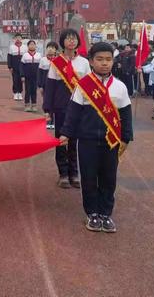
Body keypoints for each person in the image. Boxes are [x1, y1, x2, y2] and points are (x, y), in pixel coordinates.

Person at [60, 42, 133, 233]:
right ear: (91, 61)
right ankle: (92, 213)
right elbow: (73, 113)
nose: (104, 63)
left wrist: (126, 137)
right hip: (87, 141)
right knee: (89, 178)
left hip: (111, 142)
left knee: (109, 178)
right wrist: (66, 133)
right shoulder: (83, 86)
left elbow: (126, 115)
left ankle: (105, 214)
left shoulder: (120, 87)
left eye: (108, 59)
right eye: (99, 59)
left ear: (113, 61)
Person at [43, 28, 91, 189]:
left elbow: (90, 87)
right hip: (61, 107)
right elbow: (49, 87)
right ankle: (63, 173)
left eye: (74, 38)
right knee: (61, 140)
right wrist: (47, 109)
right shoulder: (56, 63)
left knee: (75, 140)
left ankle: (74, 173)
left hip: (79, 108)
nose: (71, 41)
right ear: (62, 42)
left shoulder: (84, 63)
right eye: (68, 38)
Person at [38, 41, 59, 129]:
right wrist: (40, 86)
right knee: (47, 103)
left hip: (57, 86)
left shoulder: (59, 60)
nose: (50, 49)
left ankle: (54, 122)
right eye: (49, 47)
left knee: (55, 103)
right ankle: (48, 121)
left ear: (56, 50)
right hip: (46, 86)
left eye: (53, 48)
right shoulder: (43, 60)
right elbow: (39, 74)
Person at [20, 40, 41, 112]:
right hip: (27, 77)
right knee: (27, 91)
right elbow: (21, 66)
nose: (32, 46)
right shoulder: (25, 55)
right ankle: (27, 105)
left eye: (33, 44)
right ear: (28, 46)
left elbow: (41, 67)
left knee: (34, 91)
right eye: (30, 44)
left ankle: (34, 105)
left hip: (36, 77)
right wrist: (22, 75)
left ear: (35, 46)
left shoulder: (39, 55)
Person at [7, 33, 27, 101]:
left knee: (21, 80)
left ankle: (20, 93)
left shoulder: (25, 47)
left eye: (19, 37)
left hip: (22, 67)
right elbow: (9, 57)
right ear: (14, 39)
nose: (18, 39)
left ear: (21, 39)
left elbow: (26, 57)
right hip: (14, 66)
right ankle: (15, 93)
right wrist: (10, 66)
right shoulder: (11, 47)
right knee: (15, 80)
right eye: (17, 37)